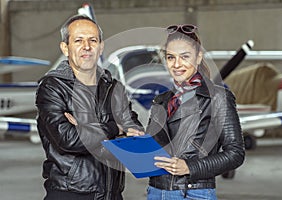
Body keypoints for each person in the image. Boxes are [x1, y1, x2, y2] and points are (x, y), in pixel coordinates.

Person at [35, 14, 144, 200]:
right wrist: (113, 128)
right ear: (65, 48)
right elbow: (68, 140)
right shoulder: (53, 87)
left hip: (112, 192)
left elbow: (134, 132)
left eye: (93, 40)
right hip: (71, 192)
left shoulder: (113, 87)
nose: (87, 47)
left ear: (101, 47)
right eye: (78, 40)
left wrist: (86, 129)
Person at [145, 24, 245, 199]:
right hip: (156, 191)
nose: (176, 64)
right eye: (170, 57)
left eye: (185, 57)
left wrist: (190, 167)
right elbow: (152, 150)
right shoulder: (161, 101)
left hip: (193, 192)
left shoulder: (218, 97)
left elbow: (235, 153)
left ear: (198, 57)